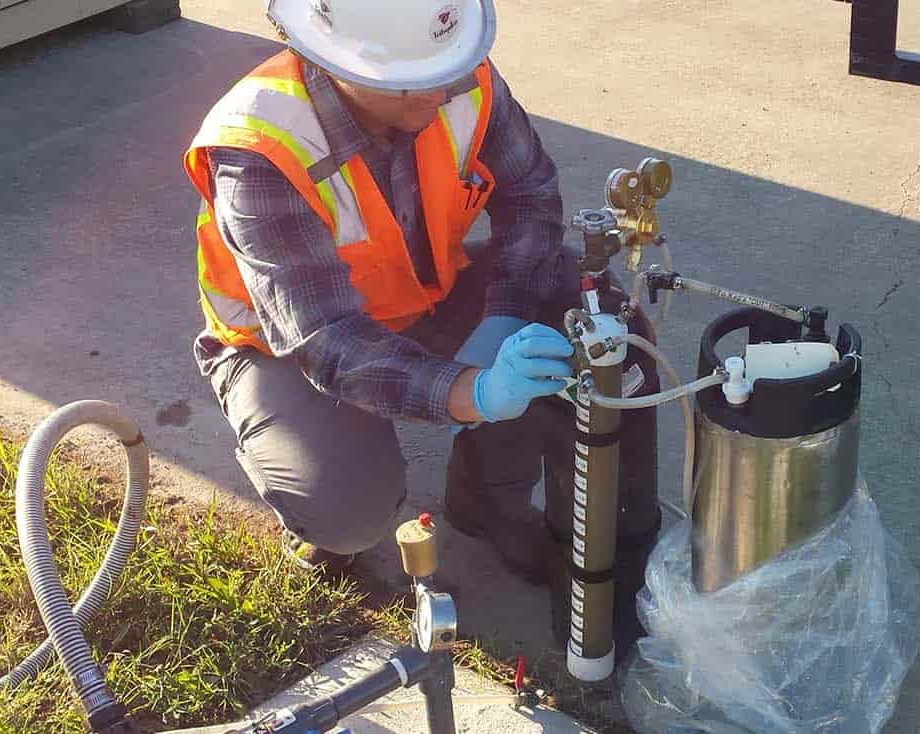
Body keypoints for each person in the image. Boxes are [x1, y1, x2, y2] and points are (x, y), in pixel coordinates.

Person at [182, 0, 659, 597]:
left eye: (448, 69)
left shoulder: (459, 76)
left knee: (603, 325)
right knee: (345, 509)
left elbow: (531, 194)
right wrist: (470, 391)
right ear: (336, 64)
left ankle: (489, 502)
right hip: (283, 347)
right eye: (415, 84)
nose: (445, 91)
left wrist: (503, 316)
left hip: (426, 295)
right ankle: (321, 533)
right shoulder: (260, 148)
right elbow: (329, 341)